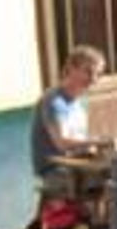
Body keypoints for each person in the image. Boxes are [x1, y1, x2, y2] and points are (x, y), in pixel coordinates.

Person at [30, 45, 105, 198]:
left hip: (75, 166)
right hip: (54, 171)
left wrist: (95, 150)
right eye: (88, 72)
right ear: (71, 69)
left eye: (97, 74)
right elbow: (62, 143)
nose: (93, 79)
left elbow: (78, 143)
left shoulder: (79, 102)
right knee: (108, 183)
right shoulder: (53, 100)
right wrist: (97, 142)